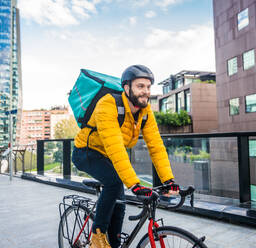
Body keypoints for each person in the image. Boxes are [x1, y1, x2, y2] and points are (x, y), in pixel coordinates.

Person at [71, 65, 179, 248]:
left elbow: (156, 146)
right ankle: (97, 237)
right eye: (140, 86)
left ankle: (113, 243)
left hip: (108, 156)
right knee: (114, 182)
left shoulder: (145, 112)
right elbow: (115, 147)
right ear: (127, 88)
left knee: (119, 203)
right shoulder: (107, 104)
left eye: (148, 86)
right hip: (86, 152)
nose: (145, 91)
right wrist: (135, 184)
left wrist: (168, 179)